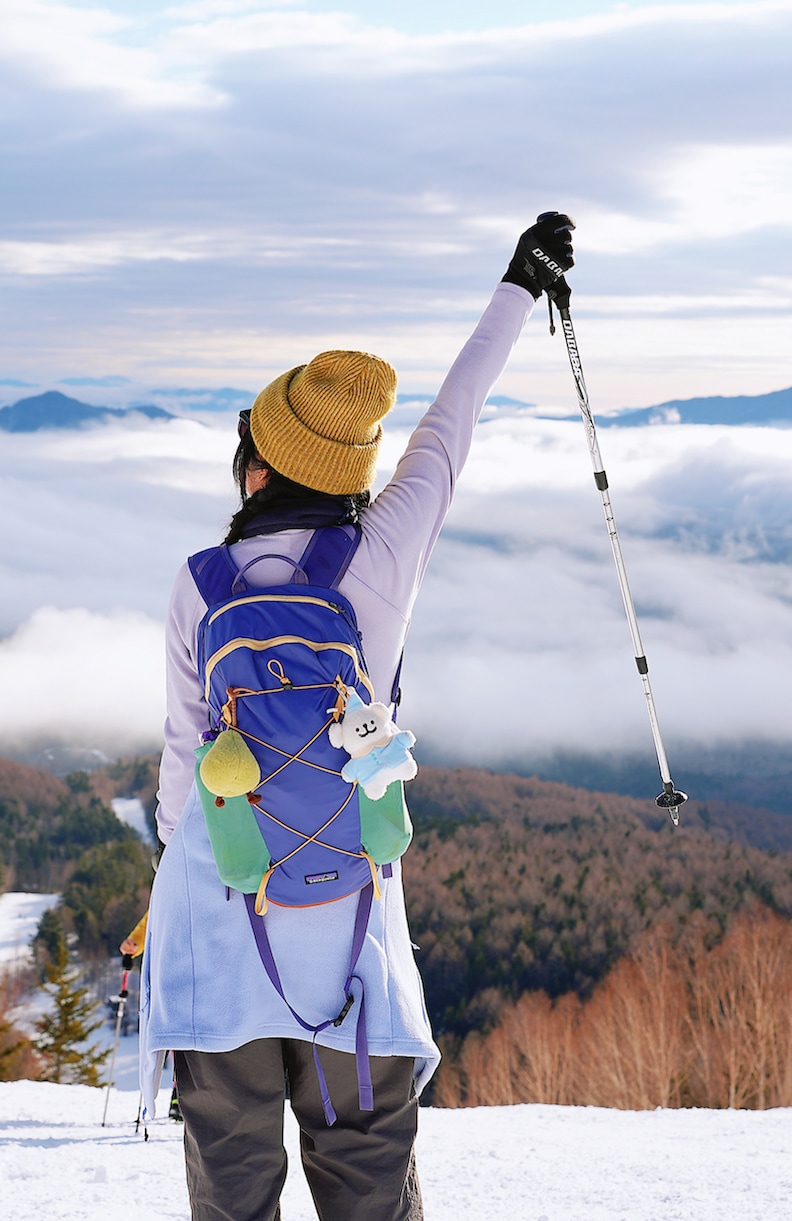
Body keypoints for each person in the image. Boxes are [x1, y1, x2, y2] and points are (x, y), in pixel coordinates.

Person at [139, 214, 575, 1221]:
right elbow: (451, 422)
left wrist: (185, 855)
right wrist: (521, 283)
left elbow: (179, 763)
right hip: (348, 935)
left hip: (222, 929)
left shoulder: (201, 584)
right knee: (366, 1179)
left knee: (233, 1189)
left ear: (255, 462)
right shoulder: (383, 554)